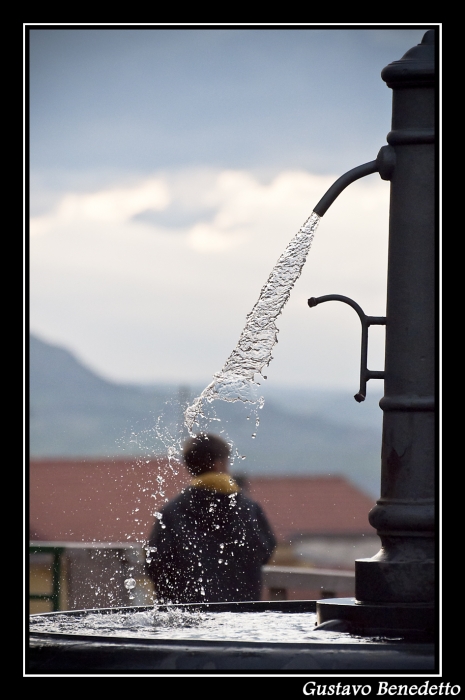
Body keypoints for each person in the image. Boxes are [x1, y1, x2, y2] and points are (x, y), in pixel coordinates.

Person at [145, 433, 276, 603]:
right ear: (218, 464)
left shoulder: (171, 513)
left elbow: (155, 564)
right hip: (241, 615)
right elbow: (266, 549)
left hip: (188, 619)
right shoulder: (248, 509)